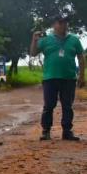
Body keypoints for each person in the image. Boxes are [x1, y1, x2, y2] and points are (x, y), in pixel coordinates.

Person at [30, 13, 85, 141]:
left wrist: (82, 76)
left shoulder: (74, 40)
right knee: (49, 105)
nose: (64, 25)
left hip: (69, 78)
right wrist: (34, 39)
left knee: (67, 106)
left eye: (66, 22)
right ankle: (46, 131)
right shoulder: (46, 40)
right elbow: (32, 53)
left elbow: (81, 58)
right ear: (54, 25)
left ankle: (67, 132)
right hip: (50, 78)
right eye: (60, 22)